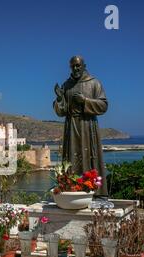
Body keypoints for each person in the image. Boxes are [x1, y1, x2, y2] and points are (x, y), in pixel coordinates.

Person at [53, 56, 108, 197]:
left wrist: (85, 101)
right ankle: (72, 189)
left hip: (87, 126)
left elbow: (103, 105)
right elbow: (62, 112)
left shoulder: (94, 83)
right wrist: (59, 99)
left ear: (84, 65)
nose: (76, 68)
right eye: (73, 66)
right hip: (71, 126)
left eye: (78, 65)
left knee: (89, 156)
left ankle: (95, 191)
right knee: (71, 158)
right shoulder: (66, 85)